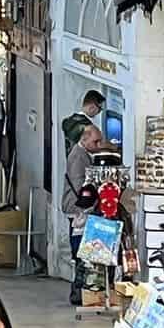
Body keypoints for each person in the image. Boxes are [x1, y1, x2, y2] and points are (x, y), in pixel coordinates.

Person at [61, 124, 103, 304]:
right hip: (78, 210)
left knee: (82, 252)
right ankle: (78, 292)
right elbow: (81, 187)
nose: (99, 144)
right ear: (84, 139)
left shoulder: (84, 154)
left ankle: (83, 292)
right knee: (80, 252)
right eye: (96, 141)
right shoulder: (78, 157)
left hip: (82, 209)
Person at [61, 90, 105, 155]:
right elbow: (96, 149)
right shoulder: (87, 125)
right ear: (92, 107)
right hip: (82, 161)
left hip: (71, 161)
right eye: (100, 109)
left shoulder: (68, 120)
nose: (99, 112)